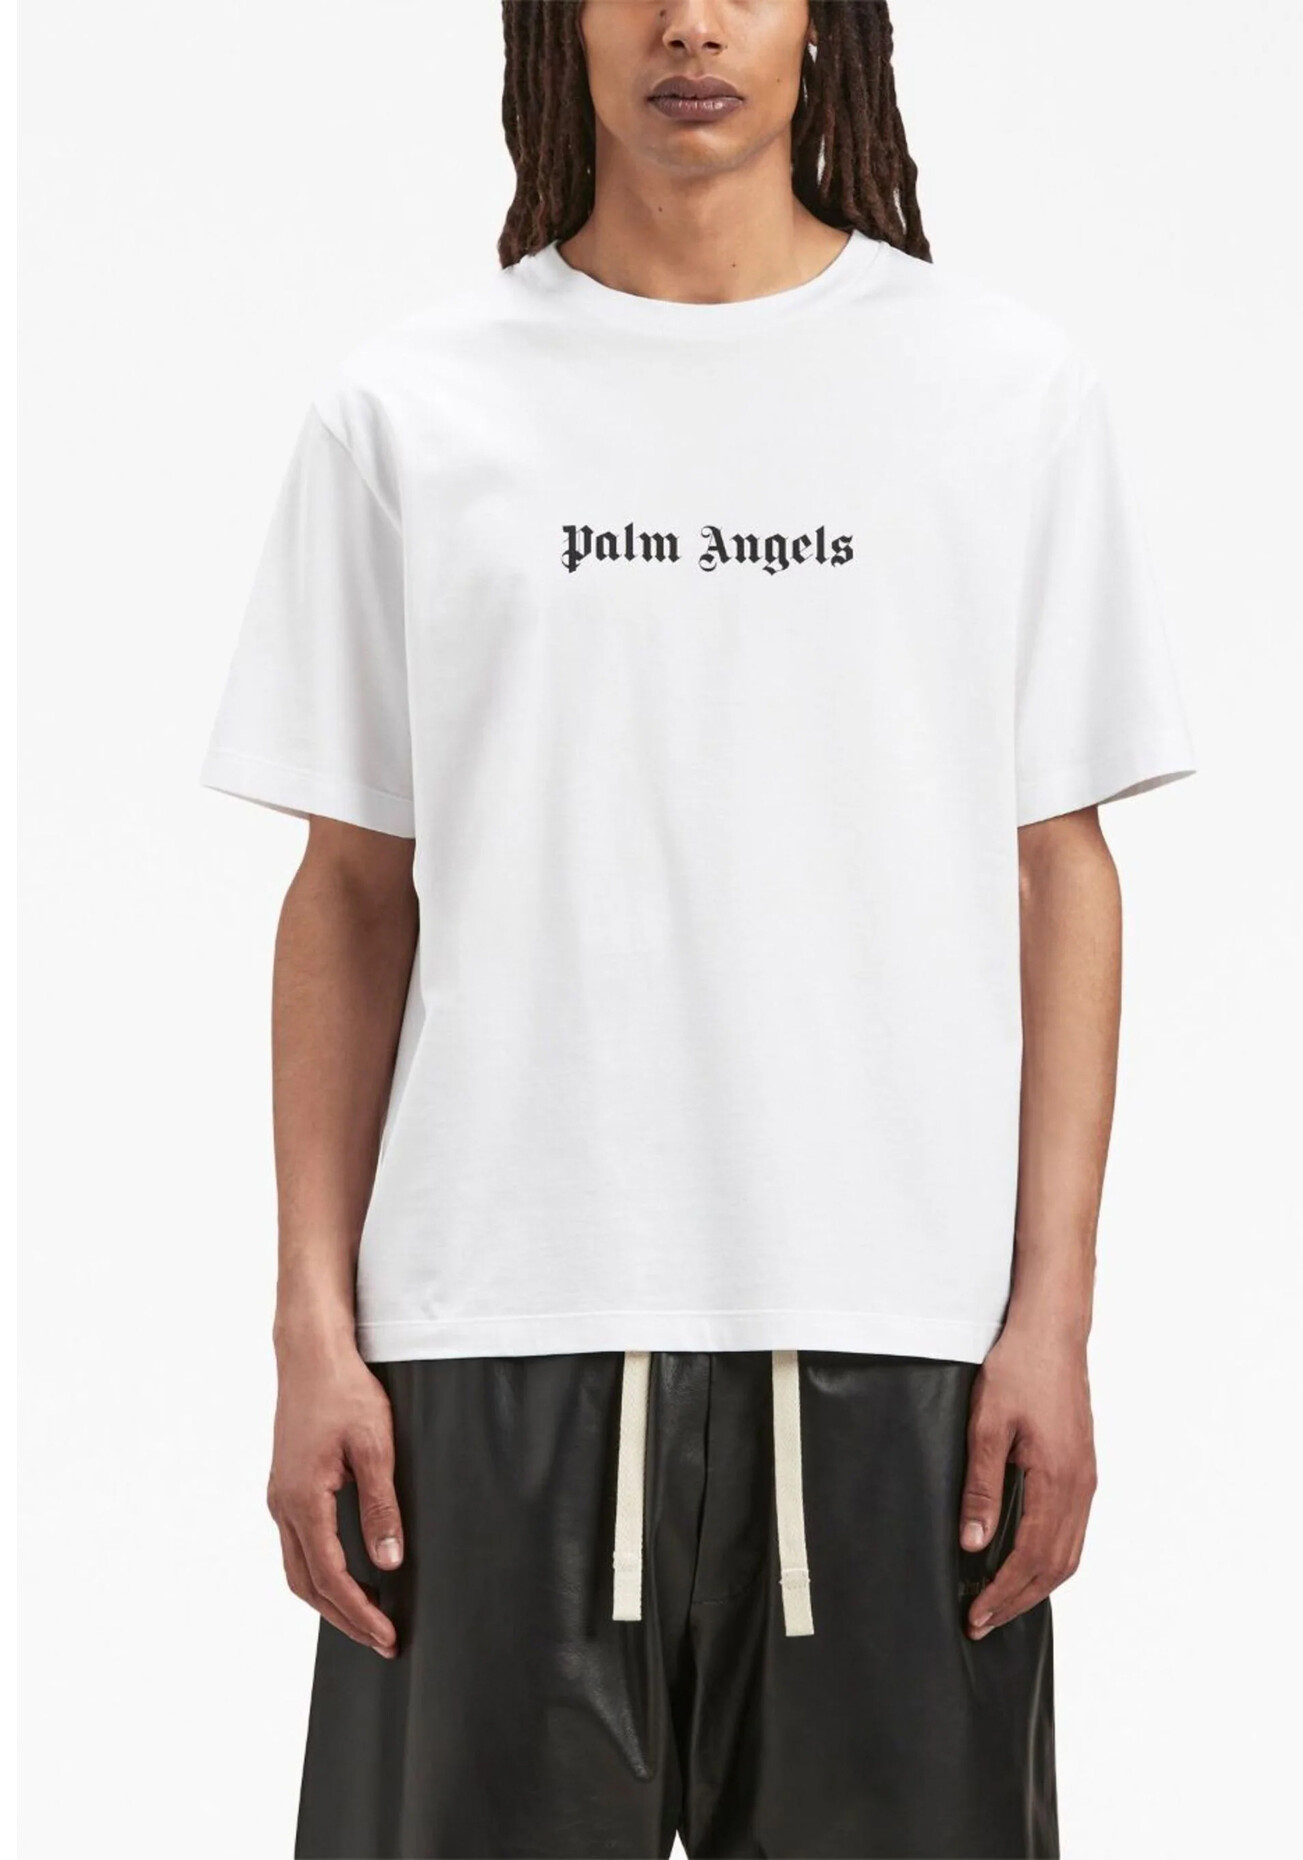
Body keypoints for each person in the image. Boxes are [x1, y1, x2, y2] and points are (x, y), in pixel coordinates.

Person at [200, 3, 1194, 1854]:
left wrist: (1052, 1317)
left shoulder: (998, 392)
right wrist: (312, 1330)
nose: (689, 23)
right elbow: (349, 887)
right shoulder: (413, 408)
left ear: (829, 24)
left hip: (898, 1348)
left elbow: (1061, 869)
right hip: (488, 1344)